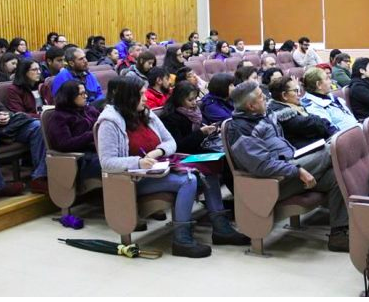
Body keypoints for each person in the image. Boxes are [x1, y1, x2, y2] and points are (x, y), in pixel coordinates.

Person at [97, 78, 249, 257]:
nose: (146, 98)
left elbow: (170, 142)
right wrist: (138, 162)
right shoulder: (109, 122)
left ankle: (221, 228)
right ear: (128, 97)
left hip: (159, 168)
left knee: (209, 170)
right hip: (134, 178)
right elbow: (107, 162)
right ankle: (181, 239)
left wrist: (157, 152)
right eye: (140, 95)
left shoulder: (146, 114)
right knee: (188, 180)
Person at [227, 80, 349, 252]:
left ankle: (339, 235)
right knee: (332, 149)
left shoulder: (264, 114)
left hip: (289, 168)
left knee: (337, 176)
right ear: (251, 105)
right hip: (273, 182)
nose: (266, 99)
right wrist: (297, 170)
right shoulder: (241, 130)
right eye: (262, 97)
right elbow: (262, 166)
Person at [45, 81, 101, 181]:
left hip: (99, 150)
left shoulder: (89, 110)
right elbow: (64, 144)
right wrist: (91, 135)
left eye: (85, 93)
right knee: (114, 166)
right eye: (82, 94)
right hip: (81, 159)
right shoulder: (59, 117)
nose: (86, 96)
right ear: (70, 96)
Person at [269, 76, 337, 148]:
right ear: (284, 95)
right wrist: (319, 121)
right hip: (306, 151)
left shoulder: (294, 106)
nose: (299, 94)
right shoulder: (283, 115)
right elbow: (315, 125)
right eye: (295, 91)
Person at [0, 100, 48, 194]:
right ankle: (1, 187)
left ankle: (39, 177)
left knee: (37, 127)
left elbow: (5, 110)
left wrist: (6, 115)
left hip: (6, 129)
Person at [160, 81, 216, 154]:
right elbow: (179, 145)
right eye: (190, 100)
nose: (194, 102)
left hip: (202, 146)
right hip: (186, 154)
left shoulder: (195, 111)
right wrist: (201, 132)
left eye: (195, 98)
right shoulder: (169, 117)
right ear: (179, 99)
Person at [301, 67, 358, 132]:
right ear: (319, 85)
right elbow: (330, 131)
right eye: (327, 79)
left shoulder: (328, 95)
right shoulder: (312, 106)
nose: (330, 81)